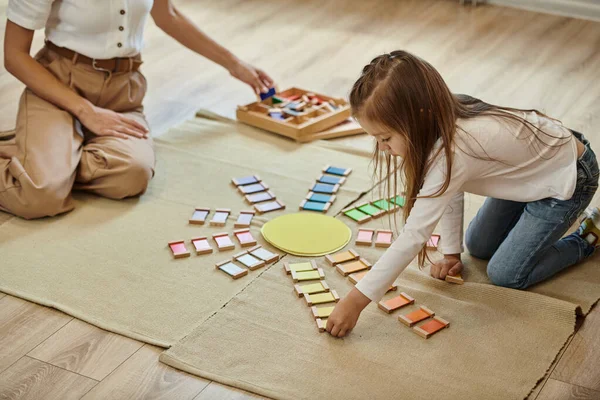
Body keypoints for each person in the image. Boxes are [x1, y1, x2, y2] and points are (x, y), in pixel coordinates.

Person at [326, 50, 599, 338]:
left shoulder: (455, 149)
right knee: (478, 246)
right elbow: (449, 189)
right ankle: (536, 223)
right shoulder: (436, 115)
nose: (382, 148)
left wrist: (356, 301)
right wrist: (451, 253)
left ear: (415, 118)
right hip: (526, 176)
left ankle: (587, 236)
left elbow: (413, 236)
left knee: (506, 274)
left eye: (385, 138)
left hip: (569, 178)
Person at [1, 0, 273, 219]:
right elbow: (14, 55)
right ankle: (46, 163)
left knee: (132, 176)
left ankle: (47, 156)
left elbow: (169, 15)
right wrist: (86, 112)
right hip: (57, 87)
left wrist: (234, 64)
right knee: (39, 197)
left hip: (122, 92)